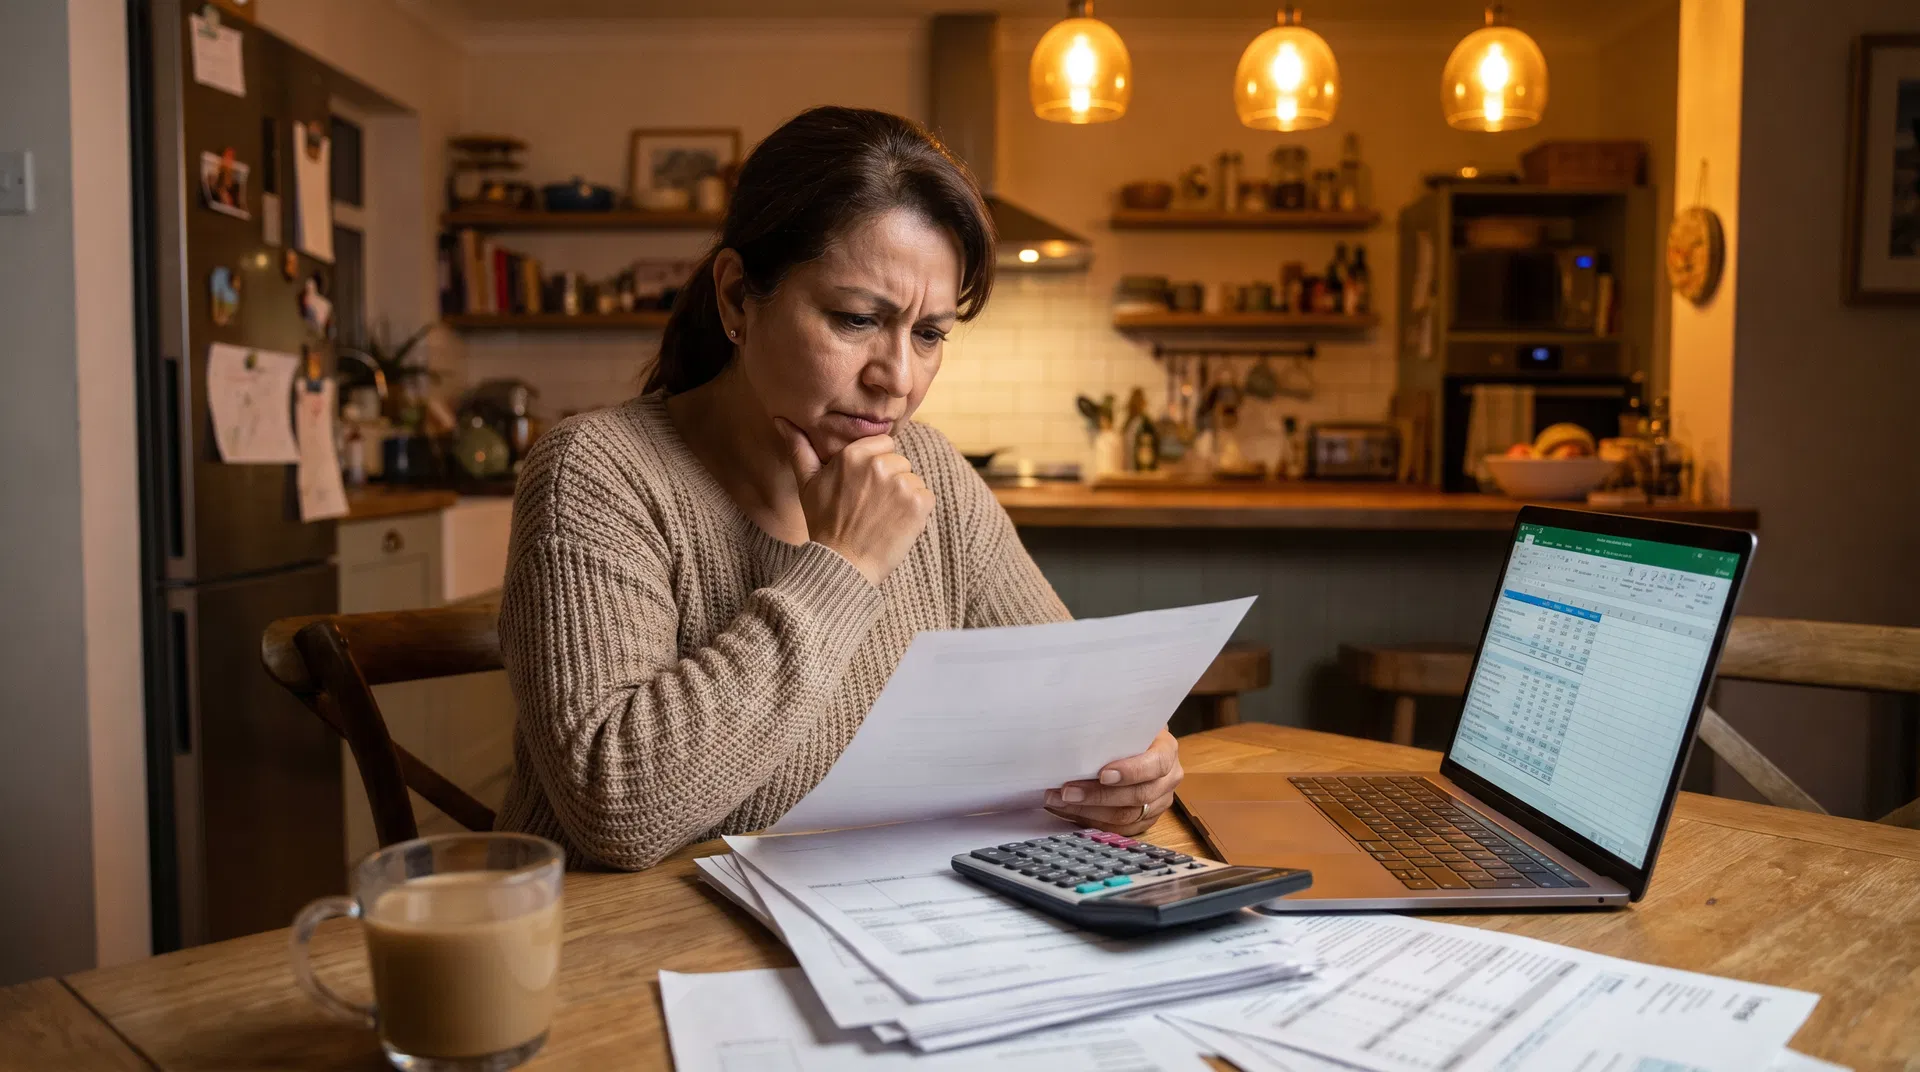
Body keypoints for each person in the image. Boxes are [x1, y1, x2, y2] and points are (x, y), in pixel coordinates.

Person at [496, 106, 1183, 870]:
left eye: (929, 335)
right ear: (734, 299)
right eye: (857, 319)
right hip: (622, 953)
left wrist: (1130, 773)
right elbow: (617, 812)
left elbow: (1075, 709)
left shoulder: (935, 477)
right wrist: (845, 566)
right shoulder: (596, 471)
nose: (897, 379)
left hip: (871, 924)